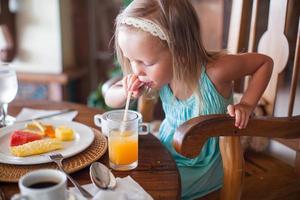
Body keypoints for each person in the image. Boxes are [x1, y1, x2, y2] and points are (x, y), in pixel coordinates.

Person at [105, 0, 273, 199]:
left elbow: (264, 63)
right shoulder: (159, 76)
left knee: (147, 191)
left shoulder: (215, 72)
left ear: (179, 50)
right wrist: (126, 92)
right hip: (167, 151)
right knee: (118, 177)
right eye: (131, 59)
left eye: (145, 62)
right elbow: (110, 98)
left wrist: (246, 104)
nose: (136, 70)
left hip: (203, 166)